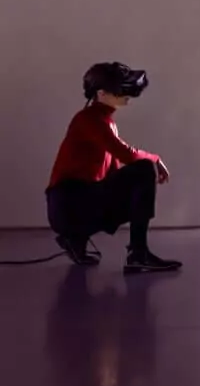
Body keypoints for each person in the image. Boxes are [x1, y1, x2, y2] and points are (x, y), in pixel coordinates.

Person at [46, 62, 182, 273]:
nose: (127, 93)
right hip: (68, 205)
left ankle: (75, 239)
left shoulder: (104, 120)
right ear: (101, 93)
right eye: (120, 88)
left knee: (137, 181)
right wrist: (154, 159)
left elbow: (114, 172)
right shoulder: (88, 120)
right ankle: (137, 254)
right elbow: (126, 154)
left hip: (77, 202)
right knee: (144, 168)